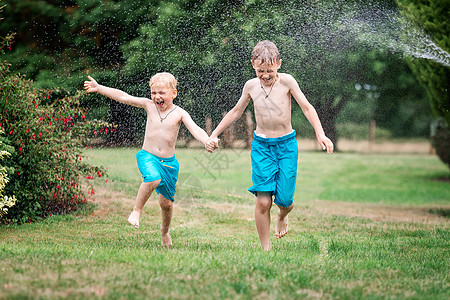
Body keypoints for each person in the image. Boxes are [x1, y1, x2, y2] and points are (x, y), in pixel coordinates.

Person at [206, 40, 334, 250]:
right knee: (264, 201)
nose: (265, 75)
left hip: (286, 146)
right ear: (253, 66)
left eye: (270, 71)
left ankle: (282, 215)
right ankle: (266, 249)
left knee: (284, 200)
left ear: (279, 64)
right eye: (260, 71)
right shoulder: (250, 86)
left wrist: (320, 134)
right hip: (261, 147)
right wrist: (214, 133)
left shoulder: (287, 82)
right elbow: (236, 111)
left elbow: (307, 107)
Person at [84, 72, 216, 247]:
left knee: (166, 204)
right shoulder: (149, 106)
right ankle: (136, 210)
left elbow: (196, 129)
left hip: (169, 164)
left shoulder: (180, 113)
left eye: (161, 93)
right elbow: (124, 97)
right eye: (154, 93)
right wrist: (100, 88)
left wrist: (206, 140)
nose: (157, 97)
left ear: (174, 93)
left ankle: (164, 232)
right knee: (153, 179)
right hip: (148, 156)